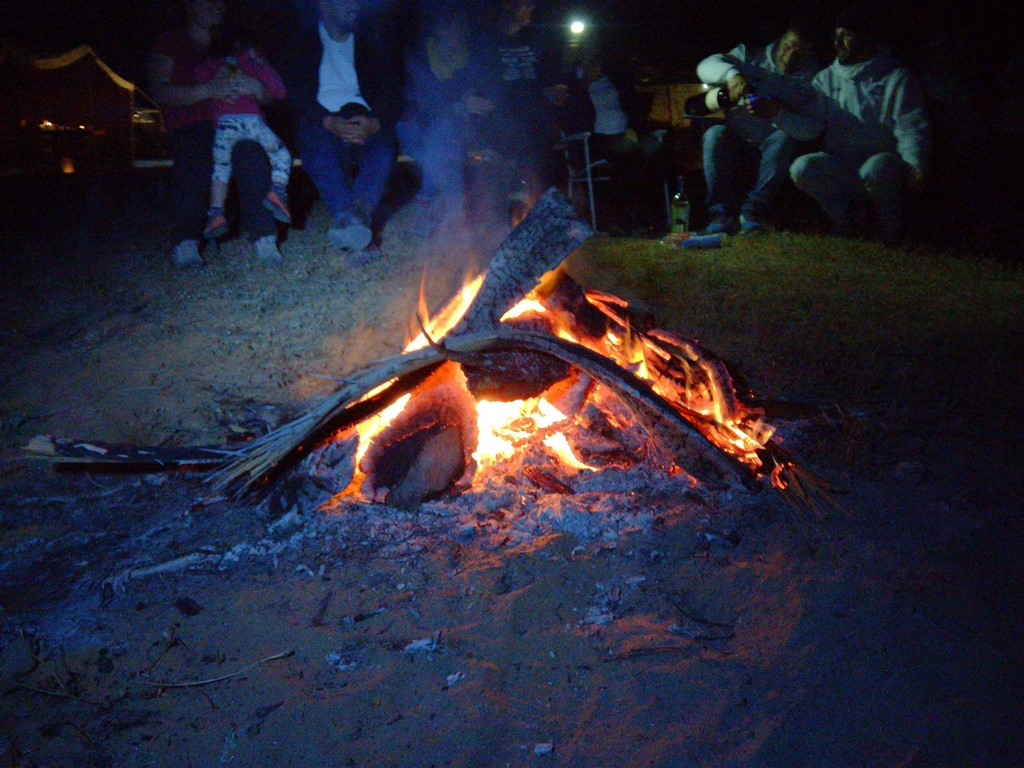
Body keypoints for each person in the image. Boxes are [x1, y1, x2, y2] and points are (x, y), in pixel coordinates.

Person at [148, 0, 282, 267]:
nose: (216, 5)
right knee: (196, 157)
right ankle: (186, 241)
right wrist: (208, 90)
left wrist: (257, 87)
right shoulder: (170, 43)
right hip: (191, 125)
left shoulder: (241, 42)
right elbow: (159, 90)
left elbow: (271, 93)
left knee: (252, 154)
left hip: (239, 121)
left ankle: (264, 237)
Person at [788, 5, 931, 244]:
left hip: (882, 166)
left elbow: (911, 127)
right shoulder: (825, 79)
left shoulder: (895, 77)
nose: (837, 43)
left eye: (846, 35)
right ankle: (847, 219)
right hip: (842, 165)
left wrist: (916, 166)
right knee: (803, 167)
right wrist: (778, 113)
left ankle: (889, 228)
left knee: (878, 167)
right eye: (836, 36)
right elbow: (809, 124)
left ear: (866, 37)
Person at [278, 0, 401, 260]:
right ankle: (350, 219)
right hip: (323, 122)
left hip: (364, 118)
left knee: (384, 145)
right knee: (314, 143)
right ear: (325, 6)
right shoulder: (304, 43)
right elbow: (295, 95)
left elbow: (391, 92)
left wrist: (375, 122)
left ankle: (353, 219)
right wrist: (328, 121)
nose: (354, 5)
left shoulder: (370, 43)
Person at [694, 22, 820, 235]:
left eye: (799, 53)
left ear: (811, 54)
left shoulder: (815, 78)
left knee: (785, 137)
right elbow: (705, 66)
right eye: (788, 47)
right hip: (738, 144)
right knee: (715, 134)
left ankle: (753, 213)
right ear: (780, 41)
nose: (789, 57)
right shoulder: (750, 57)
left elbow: (811, 129)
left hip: (775, 153)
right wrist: (732, 75)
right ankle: (721, 213)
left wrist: (776, 113)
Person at [397, 4, 495, 237]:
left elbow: (478, 96)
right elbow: (419, 103)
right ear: (440, 29)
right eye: (457, 26)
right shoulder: (419, 56)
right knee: (440, 138)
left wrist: (472, 106)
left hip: (453, 133)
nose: (463, 31)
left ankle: (432, 204)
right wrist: (459, 105)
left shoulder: (470, 60)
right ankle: (455, 209)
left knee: (443, 137)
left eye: (465, 26)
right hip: (414, 128)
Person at [195, 32, 292, 241]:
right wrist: (262, 64)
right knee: (282, 155)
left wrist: (215, 79)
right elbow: (280, 90)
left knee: (221, 170)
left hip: (224, 127)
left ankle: (216, 213)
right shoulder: (251, 63)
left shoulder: (211, 65)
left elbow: (198, 76)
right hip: (251, 122)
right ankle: (277, 191)